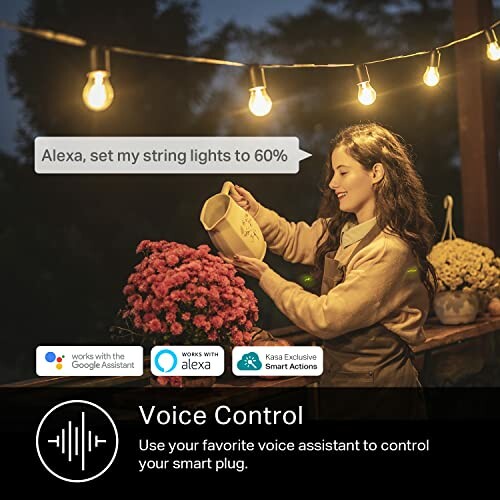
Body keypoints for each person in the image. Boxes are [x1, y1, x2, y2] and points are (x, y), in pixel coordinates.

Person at [220, 122, 438, 392]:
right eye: (334, 172)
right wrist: (254, 212)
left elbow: (326, 318)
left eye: (343, 172)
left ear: (376, 173)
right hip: (339, 379)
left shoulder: (388, 250)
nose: (333, 183)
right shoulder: (341, 229)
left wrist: (266, 276)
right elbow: (293, 239)